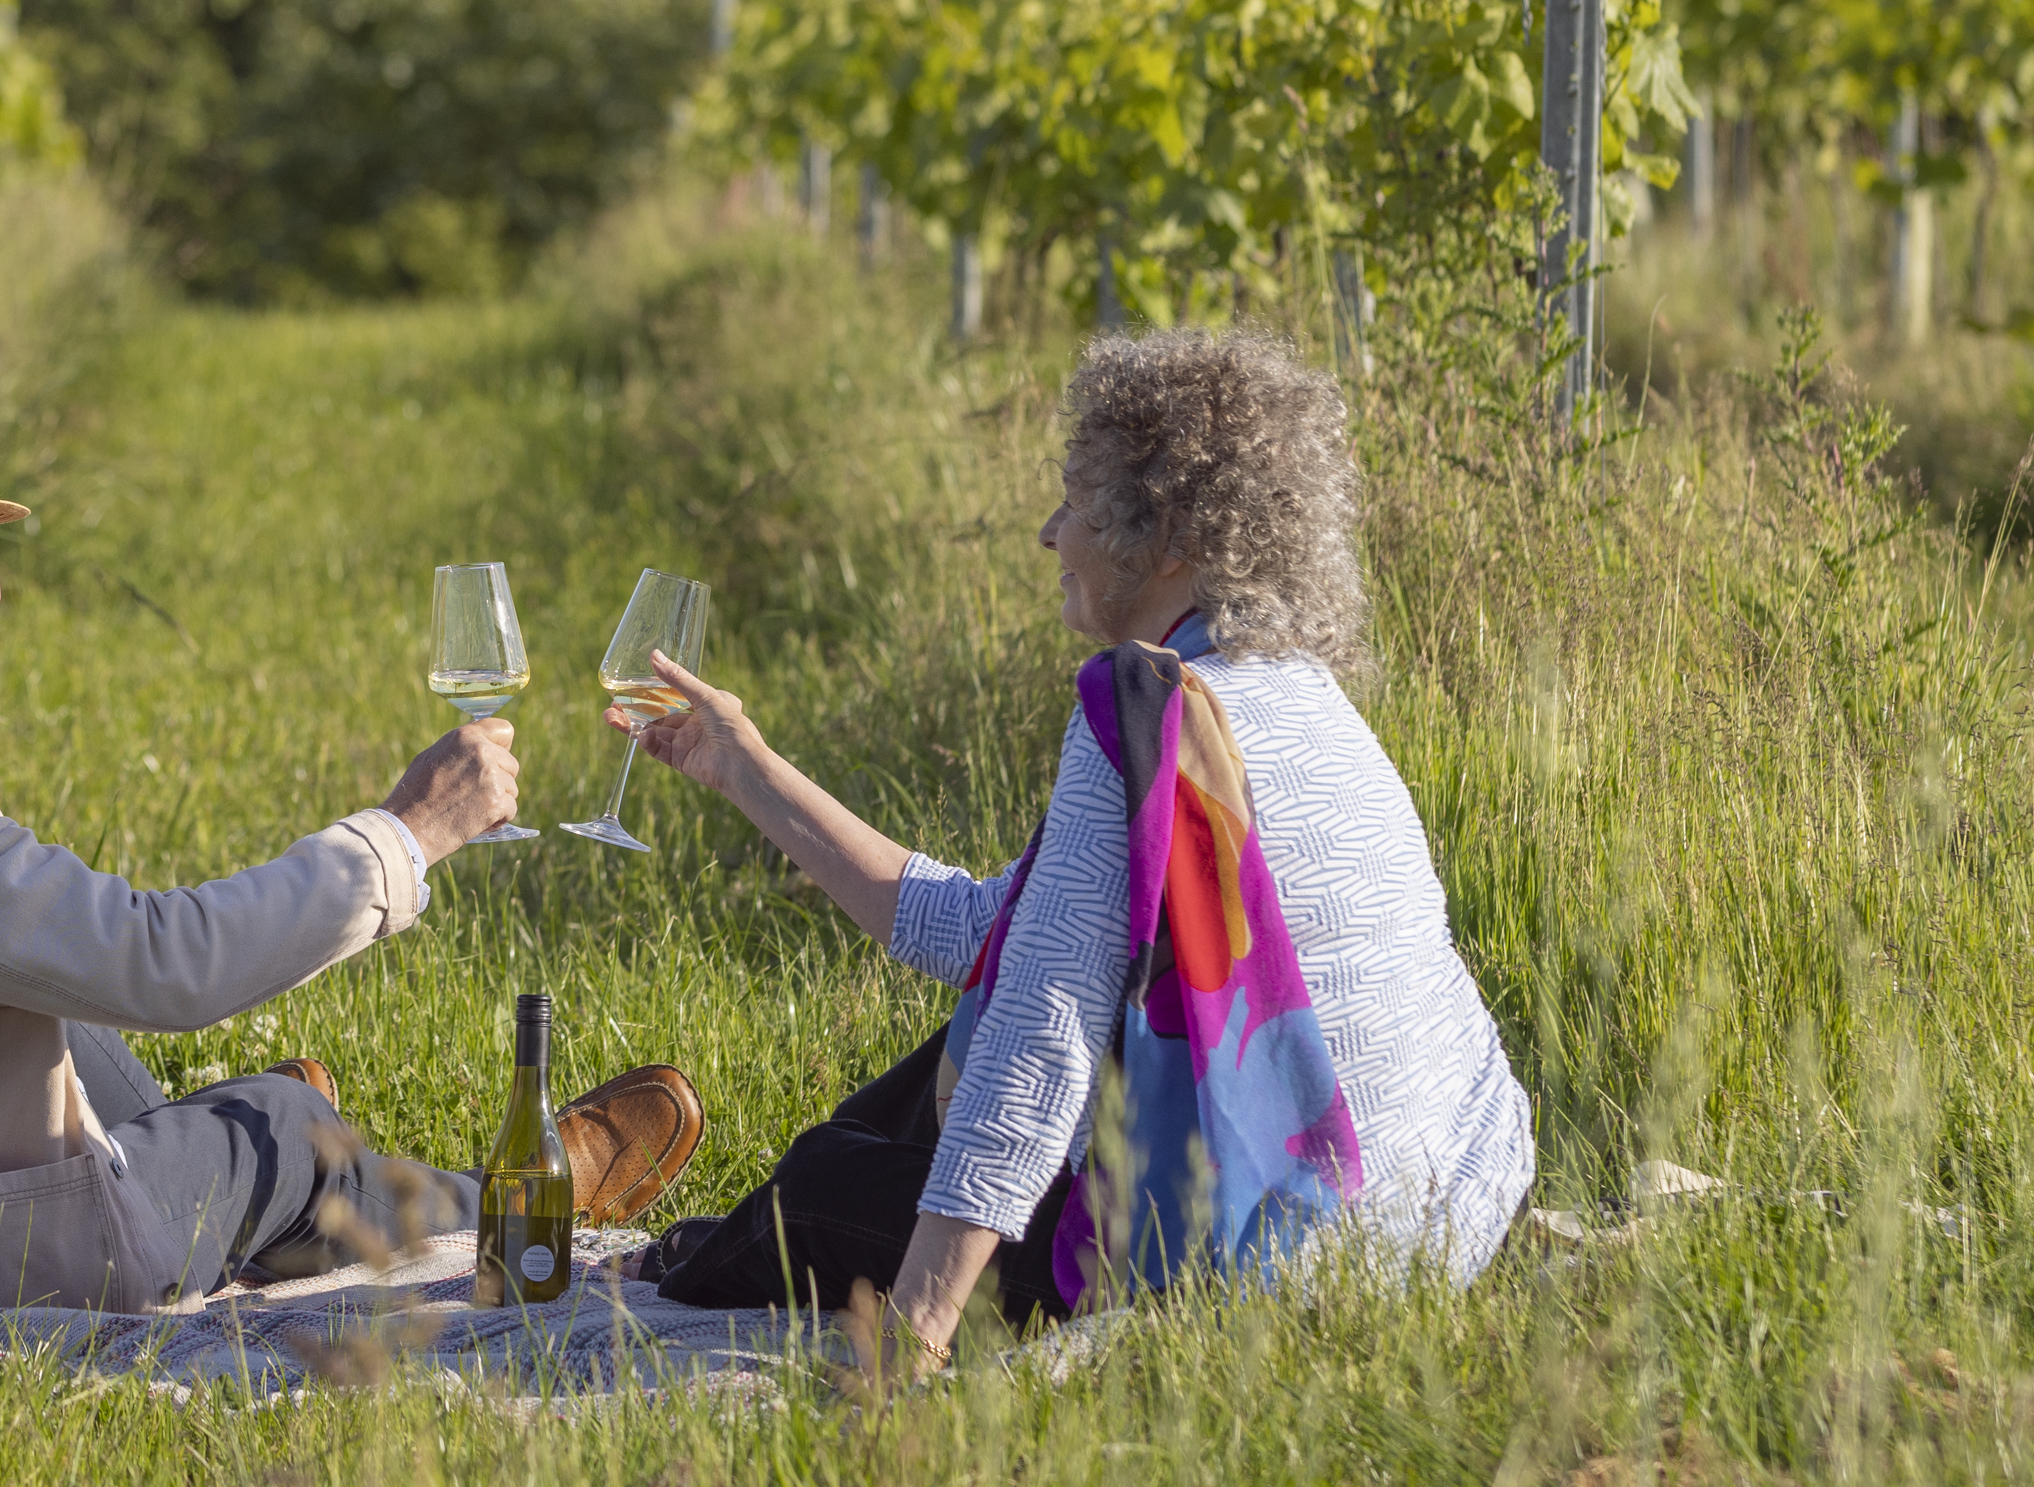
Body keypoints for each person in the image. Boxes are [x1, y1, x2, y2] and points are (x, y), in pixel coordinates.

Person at [0, 370, 708, 1315]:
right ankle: (508, 1200)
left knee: (54, 1004)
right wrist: (407, 834)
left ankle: (229, 1162)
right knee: (284, 1127)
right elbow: (163, 963)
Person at [617, 326, 1530, 1365]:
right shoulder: (1294, 694)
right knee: (936, 1059)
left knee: (824, 1179)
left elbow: (1035, 1047)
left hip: (1261, 1254)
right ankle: (704, 1241)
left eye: (1074, 498)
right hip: (1433, 1207)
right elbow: (978, 930)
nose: (1049, 531)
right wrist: (741, 763)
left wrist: (912, 1336)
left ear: (1169, 531)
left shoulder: (1142, 716)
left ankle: (680, 1259)